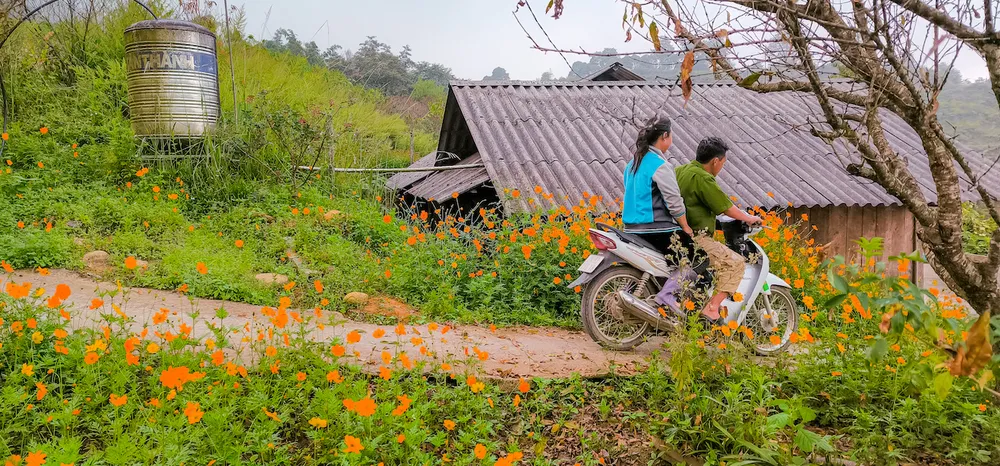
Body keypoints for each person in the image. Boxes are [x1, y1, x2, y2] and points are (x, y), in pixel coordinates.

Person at [675, 137, 761, 321]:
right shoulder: (704, 178)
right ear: (715, 161)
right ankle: (712, 309)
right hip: (697, 238)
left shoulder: (680, 171)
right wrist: (749, 218)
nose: (721, 167)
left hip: (677, 235)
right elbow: (726, 207)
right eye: (723, 163)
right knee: (735, 263)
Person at [622, 115, 694, 263]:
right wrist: (686, 227)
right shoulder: (660, 165)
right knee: (699, 261)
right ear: (665, 136)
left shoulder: (631, 165)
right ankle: (674, 287)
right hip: (656, 230)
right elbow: (674, 202)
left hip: (630, 231)